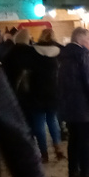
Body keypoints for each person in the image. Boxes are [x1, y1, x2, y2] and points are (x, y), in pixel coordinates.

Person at [58, 27, 89, 177]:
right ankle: (87, 173)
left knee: (74, 141)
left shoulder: (64, 56)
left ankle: (73, 172)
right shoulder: (83, 56)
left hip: (70, 106)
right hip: (85, 107)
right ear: (80, 40)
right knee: (86, 142)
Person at [29, 29, 65, 162]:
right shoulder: (59, 51)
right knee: (53, 120)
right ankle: (58, 149)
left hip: (36, 91)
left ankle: (43, 153)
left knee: (39, 123)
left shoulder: (32, 51)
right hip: (54, 91)